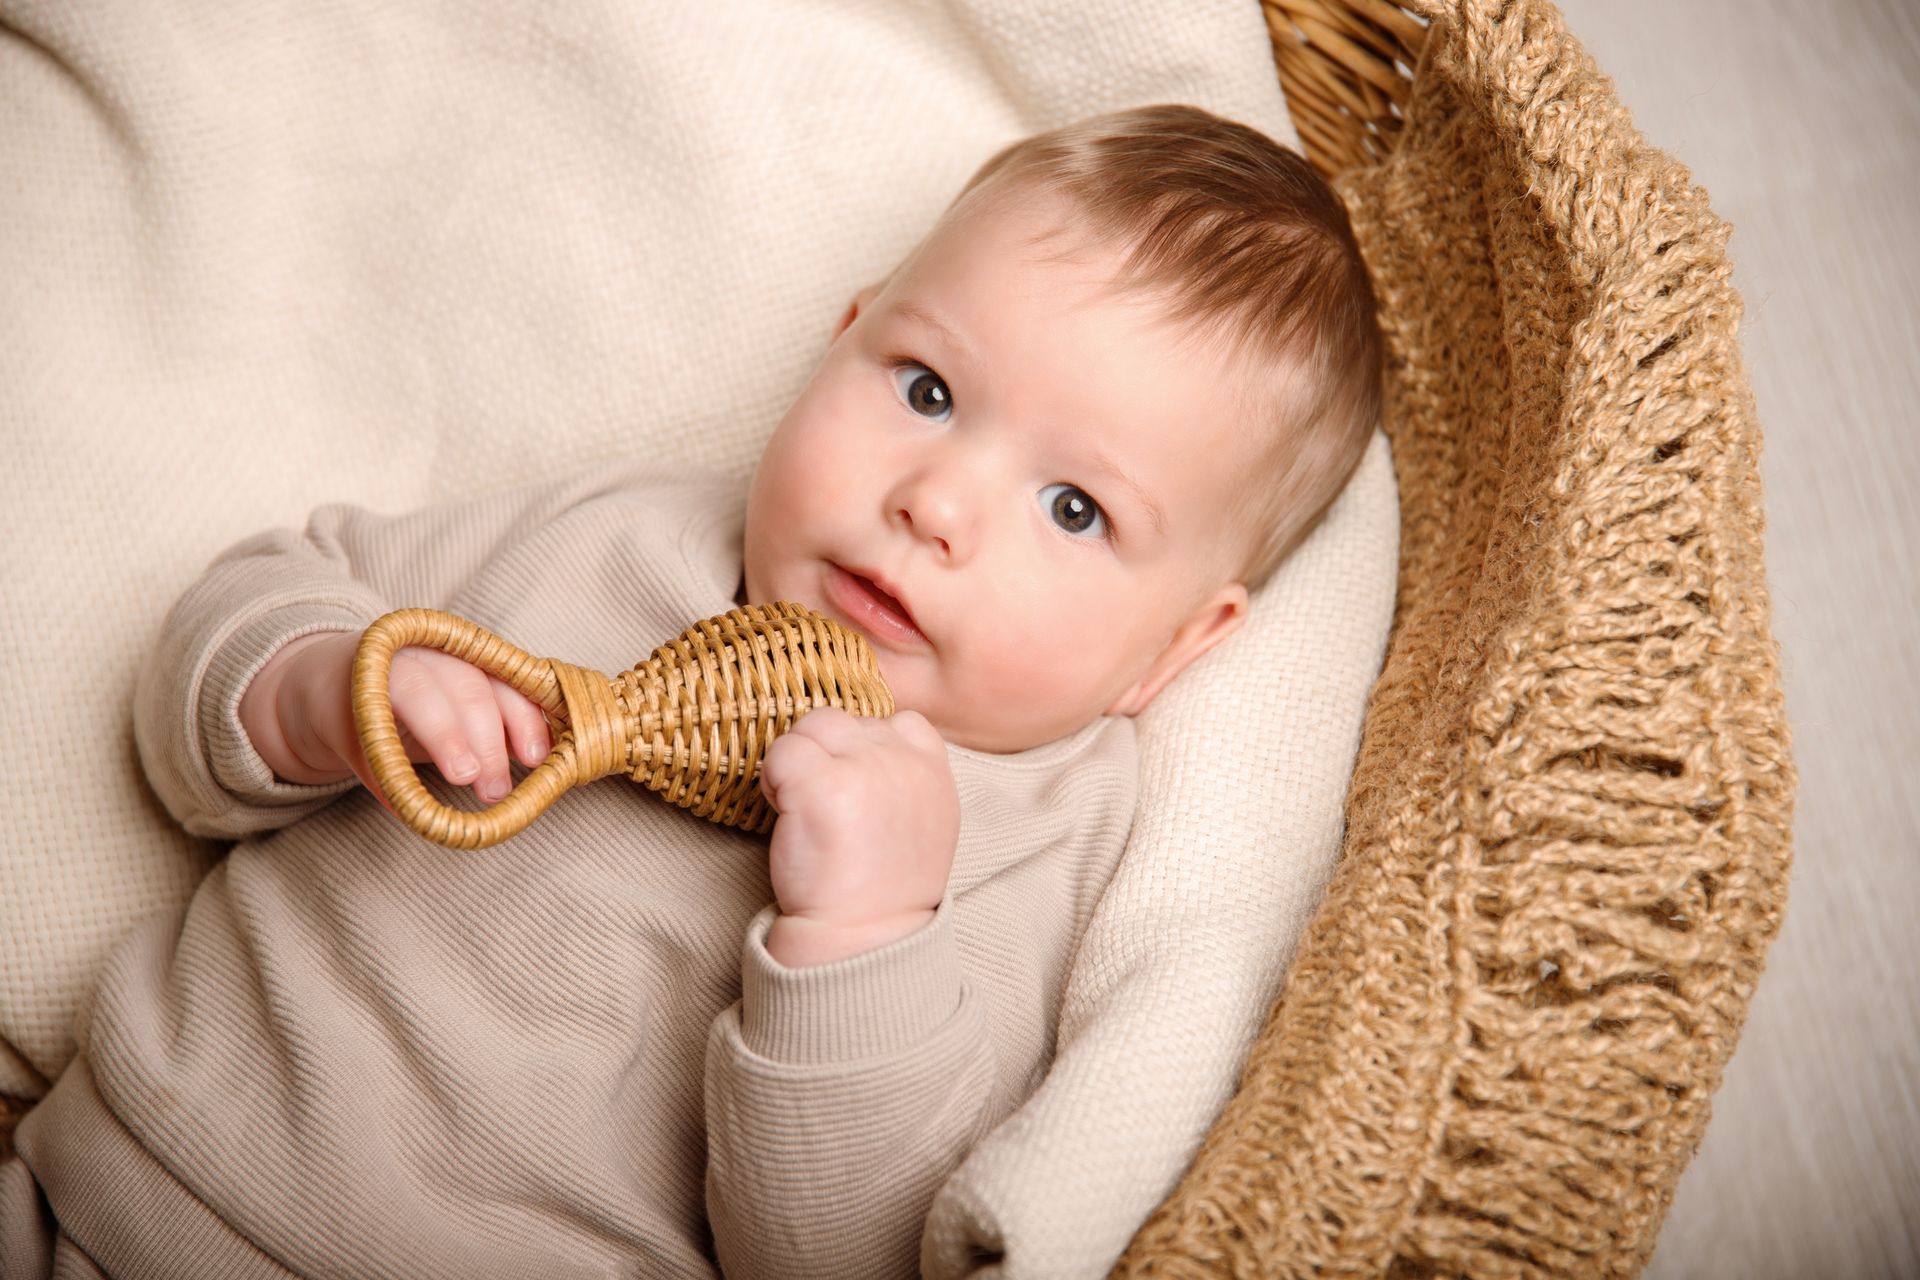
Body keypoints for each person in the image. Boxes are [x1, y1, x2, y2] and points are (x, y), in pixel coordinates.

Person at [0, 102, 1379, 1279]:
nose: (938, 502)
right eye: (927, 389)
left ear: (1176, 649)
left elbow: (839, 1249)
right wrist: (319, 690)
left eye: (1076, 508)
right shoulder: (624, 533)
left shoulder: (1035, 836)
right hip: (104, 1177)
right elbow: (261, 603)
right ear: (840, 340)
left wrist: (863, 934)